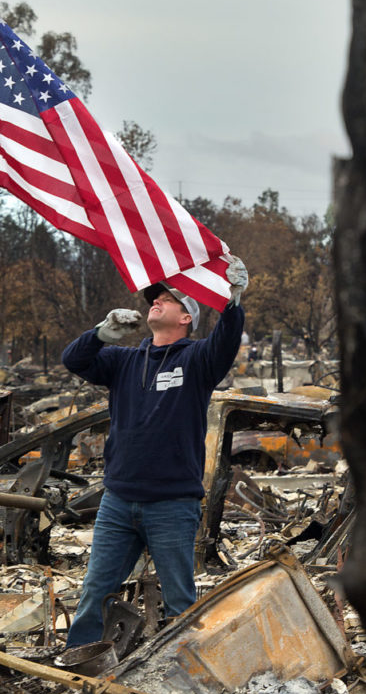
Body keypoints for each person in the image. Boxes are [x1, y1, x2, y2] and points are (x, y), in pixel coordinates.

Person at [61, 257, 249, 647]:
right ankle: (79, 663)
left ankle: (182, 668)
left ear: (186, 318)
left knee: (179, 599)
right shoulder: (123, 361)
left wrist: (233, 302)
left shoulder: (196, 360)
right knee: (96, 591)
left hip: (171, 503)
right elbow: (73, 360)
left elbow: (225, 343)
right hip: (118, 500)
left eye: (168, 299)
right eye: (155, 297)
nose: (156, 302)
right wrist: (101, 333)